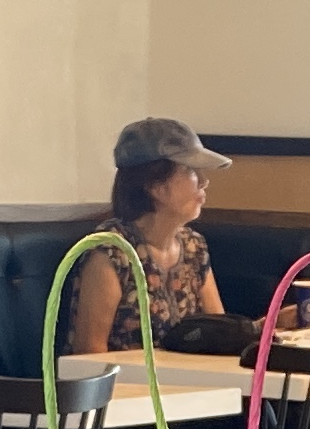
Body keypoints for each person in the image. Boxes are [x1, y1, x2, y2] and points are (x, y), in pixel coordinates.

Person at [63, 117, 239, 355]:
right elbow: (89, 355)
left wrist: (267, 326)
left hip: (187, 378)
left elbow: (219, 334)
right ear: (154, 186)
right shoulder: (110, 251)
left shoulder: (194, 246)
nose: (204, 181)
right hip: (128, 380)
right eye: (190, 170)